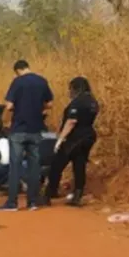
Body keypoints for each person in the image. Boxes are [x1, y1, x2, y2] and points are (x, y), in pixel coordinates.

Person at [0, 59, 53, 211]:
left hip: (19, 129)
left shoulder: (17, 82)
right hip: (36, 129)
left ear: (17, 70)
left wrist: (14, 109)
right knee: (34, 167)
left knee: (15, 166)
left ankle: (12, 203)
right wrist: (37, 107)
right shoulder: (42, 81)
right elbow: (49, 104)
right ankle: (32, 202)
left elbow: (9, 105)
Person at [44, 76, 99, 207]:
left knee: (57, 164)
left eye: (70, 89)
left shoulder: (77, 102)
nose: (69, 92)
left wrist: (60, 140)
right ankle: (77, 195)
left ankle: (49, 193)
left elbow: (71, 122)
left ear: (76, 88)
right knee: (79, 165)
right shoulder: (93, 102)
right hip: (88, 136)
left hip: (75, 138)